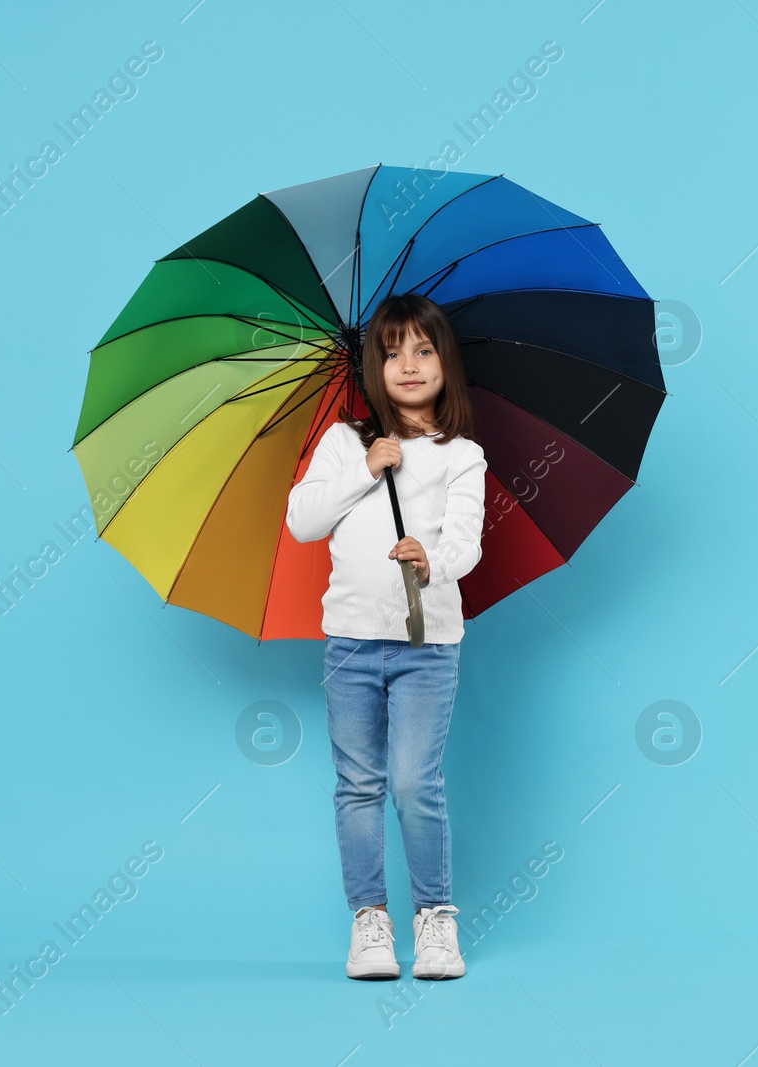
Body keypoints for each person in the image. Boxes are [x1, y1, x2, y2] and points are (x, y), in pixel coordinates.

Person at [285, 293, 487, 981]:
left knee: (413, 781)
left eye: (423, 350)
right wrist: (366, 467)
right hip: (349, 645)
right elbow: (303, 520)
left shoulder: (462, 455)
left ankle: (435, 918)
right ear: (373, 365)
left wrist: (431, 563)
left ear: (444, 363)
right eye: (393, 350)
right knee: (358, 783)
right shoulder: (346, 442)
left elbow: (465, 544)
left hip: (428, 645)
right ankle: (369, 919)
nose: (408, 364)